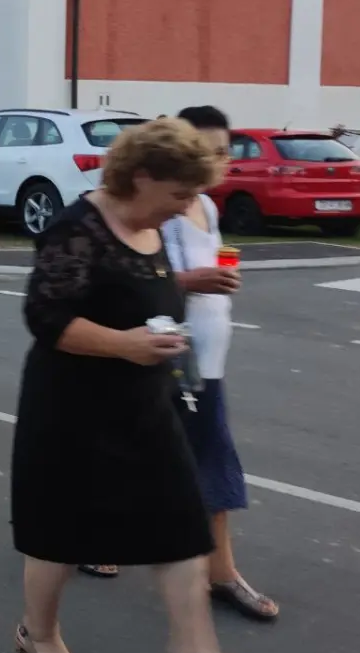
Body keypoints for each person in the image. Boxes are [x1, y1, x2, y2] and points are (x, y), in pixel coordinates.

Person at [10, 119, 273, 653]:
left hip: (145, 401)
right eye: (179, 194)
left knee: (180, 518)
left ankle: (193, 652)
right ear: (144, 176)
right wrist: (126, 344)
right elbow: (46, 319)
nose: (184, 210)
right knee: (61, 531)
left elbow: (143, 294)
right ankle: (40, 633)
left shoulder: (152, 228)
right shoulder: (75, 227)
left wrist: (176, 307)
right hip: (71, 403)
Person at [75, 107, 279, 616]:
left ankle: (215, 577)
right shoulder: (155, 207)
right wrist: (193, 282)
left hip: (207, 355)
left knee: (204, 460)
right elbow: (139, 283)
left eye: (225, 150)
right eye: (209, 150)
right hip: (163, 356)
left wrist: (214, 280)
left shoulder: (205, 208)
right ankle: (96, 542)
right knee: (152, 457)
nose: (219, 160)